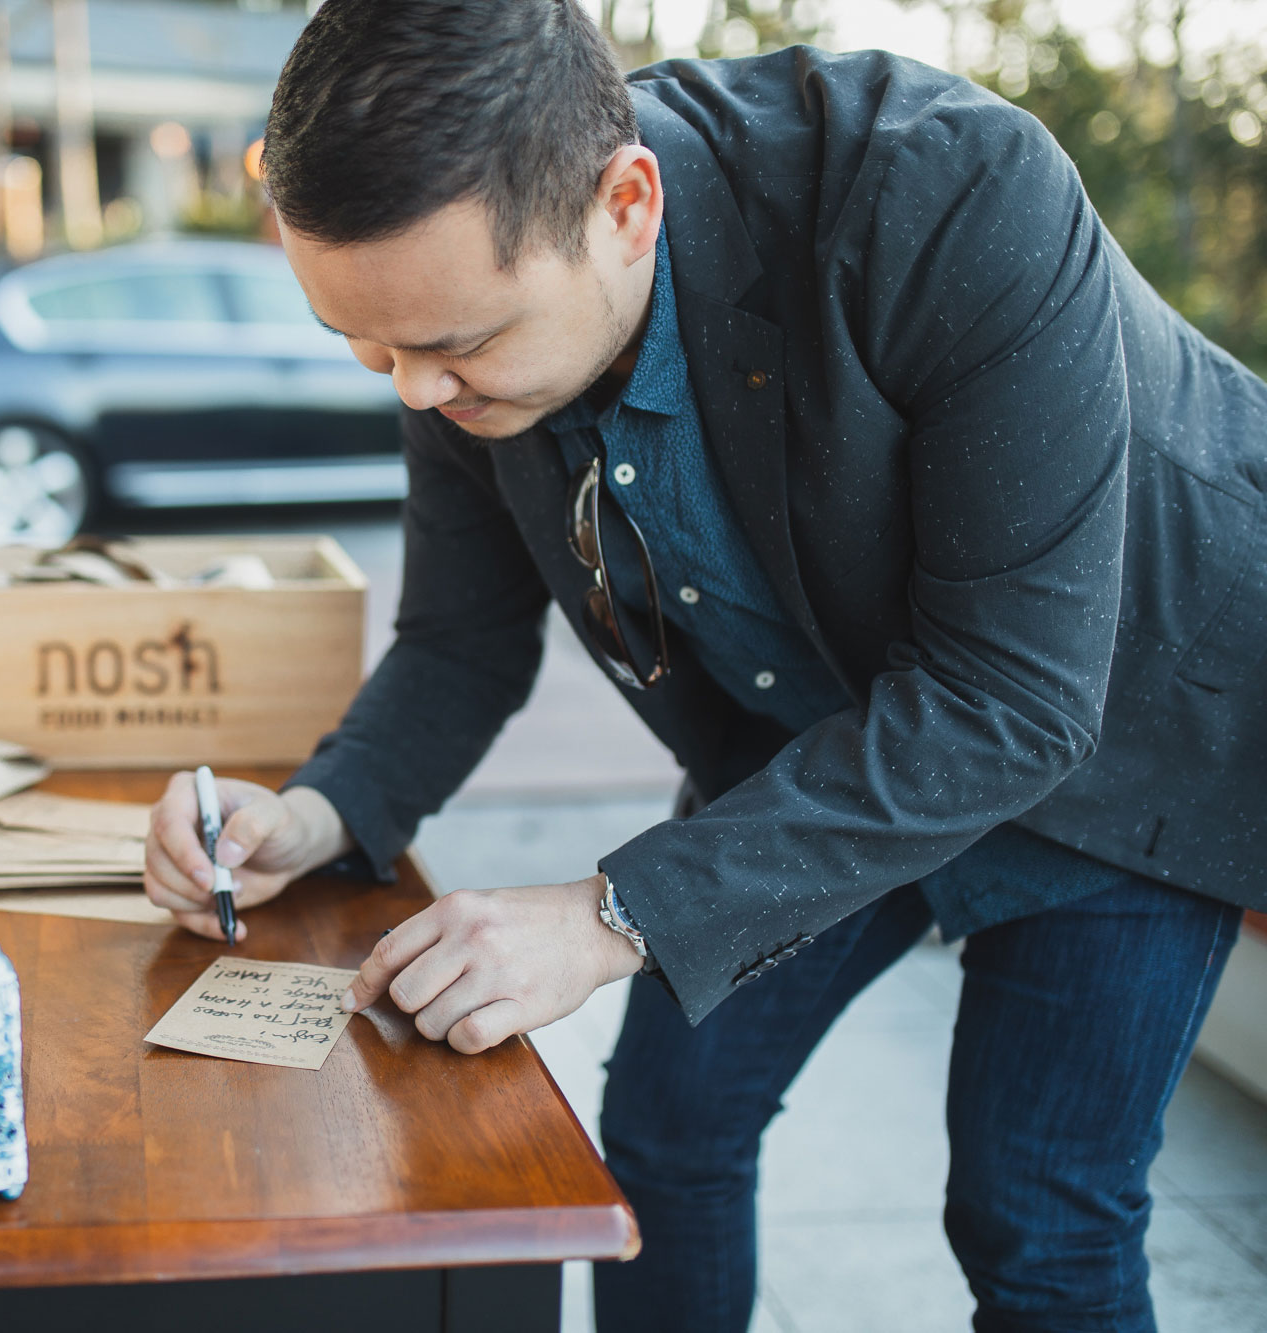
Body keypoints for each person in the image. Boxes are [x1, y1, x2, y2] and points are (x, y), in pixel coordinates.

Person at [140, 1, 1266, 1328]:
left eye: (454, 347)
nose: (414, 396)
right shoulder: (454, 327)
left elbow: (1010, 701)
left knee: (1037, 1207)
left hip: (1123, 710)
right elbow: (459, 638)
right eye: (368, 347)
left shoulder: (950, 189)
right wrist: (315, 812)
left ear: (626, 204)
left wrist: (609, 912)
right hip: (825, 735)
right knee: (669, 1127)